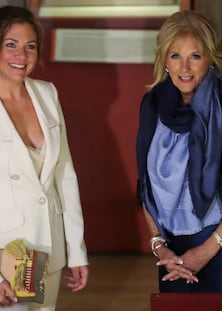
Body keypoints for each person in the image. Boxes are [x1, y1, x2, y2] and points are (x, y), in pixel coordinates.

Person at [0, 5, 89, 311]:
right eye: (11, 45)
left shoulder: (47, 94)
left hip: (48, 246)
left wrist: (76, 251)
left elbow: (65, 176)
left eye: (30, 47)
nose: (21, 56)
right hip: (5, 257)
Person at [136, 10, 222, 293]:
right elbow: (144, 186)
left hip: (217, 243)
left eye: (195, 56)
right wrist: (159, 246)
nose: (184, 67)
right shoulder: (151, 105)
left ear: (210, 58)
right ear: (164, 60)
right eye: (175, 56)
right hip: (170, 252)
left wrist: (207, 251)